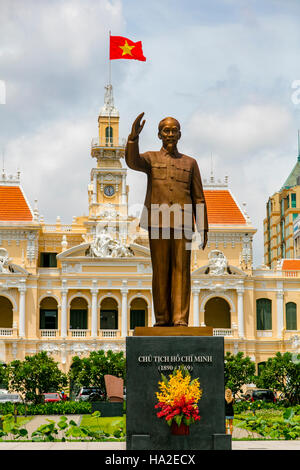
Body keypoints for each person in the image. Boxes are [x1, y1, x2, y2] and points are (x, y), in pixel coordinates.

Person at [125, 113, 208, 327]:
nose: (170, 134)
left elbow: (199, 197)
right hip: (157, 222)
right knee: (160, 271)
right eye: (166, 130)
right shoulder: (150, 159)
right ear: (159, 134)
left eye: (174, 130)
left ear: (179, 134)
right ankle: (161, 318)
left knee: (182, 272)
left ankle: (180, 319)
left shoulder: (190, 163)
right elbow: (132, 161)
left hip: (184, 224)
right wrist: (133, 139)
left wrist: (203, 227)